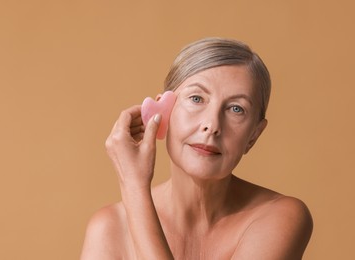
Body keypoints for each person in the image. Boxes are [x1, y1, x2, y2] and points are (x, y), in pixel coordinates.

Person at [80, 37, 313, 259]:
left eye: (236, 109)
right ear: (163, 113)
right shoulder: (109, 228)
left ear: (253, 135)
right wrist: (135, 187)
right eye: (196, 99)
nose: (212, 125)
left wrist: (134, 187)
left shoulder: (280, 216)